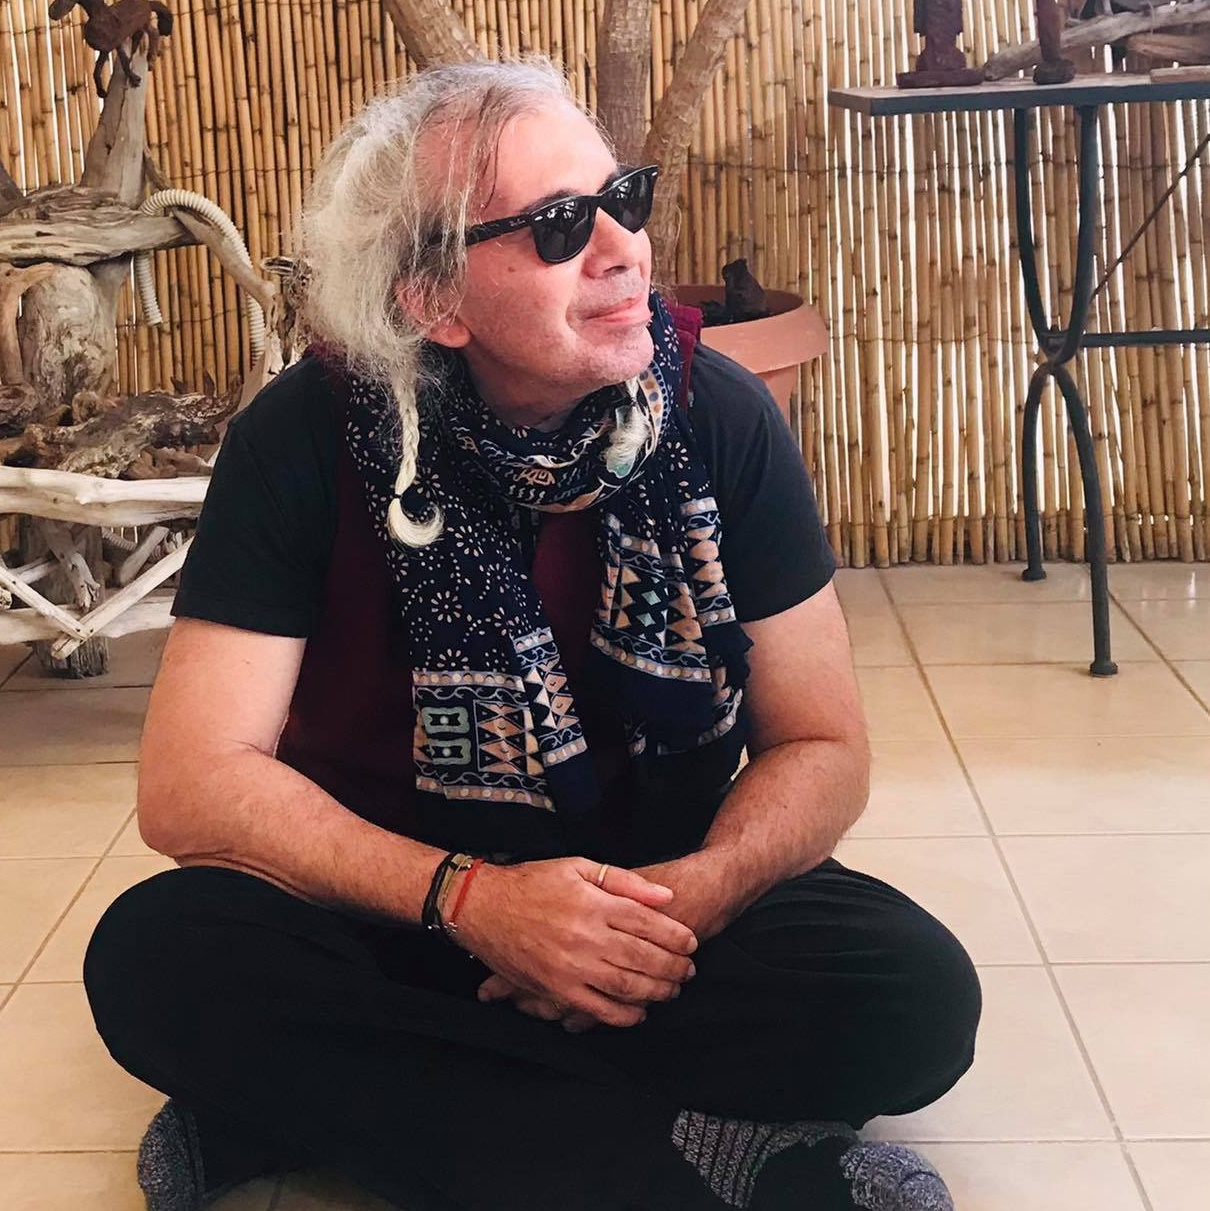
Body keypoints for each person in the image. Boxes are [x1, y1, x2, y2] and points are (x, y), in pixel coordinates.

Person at [84, 58, 981, 1211]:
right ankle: (705, 1161)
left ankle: (325, 1110)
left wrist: (687, 899)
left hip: (653, 896)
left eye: (624, 199)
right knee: (162, 957)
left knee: (907, 995)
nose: (624, 248)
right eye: (561, 225)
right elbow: (193, 784)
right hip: (390, 901)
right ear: (432, 298)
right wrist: (475, 902)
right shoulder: (306, 436)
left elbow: (821, 743)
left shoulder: (716, 415)